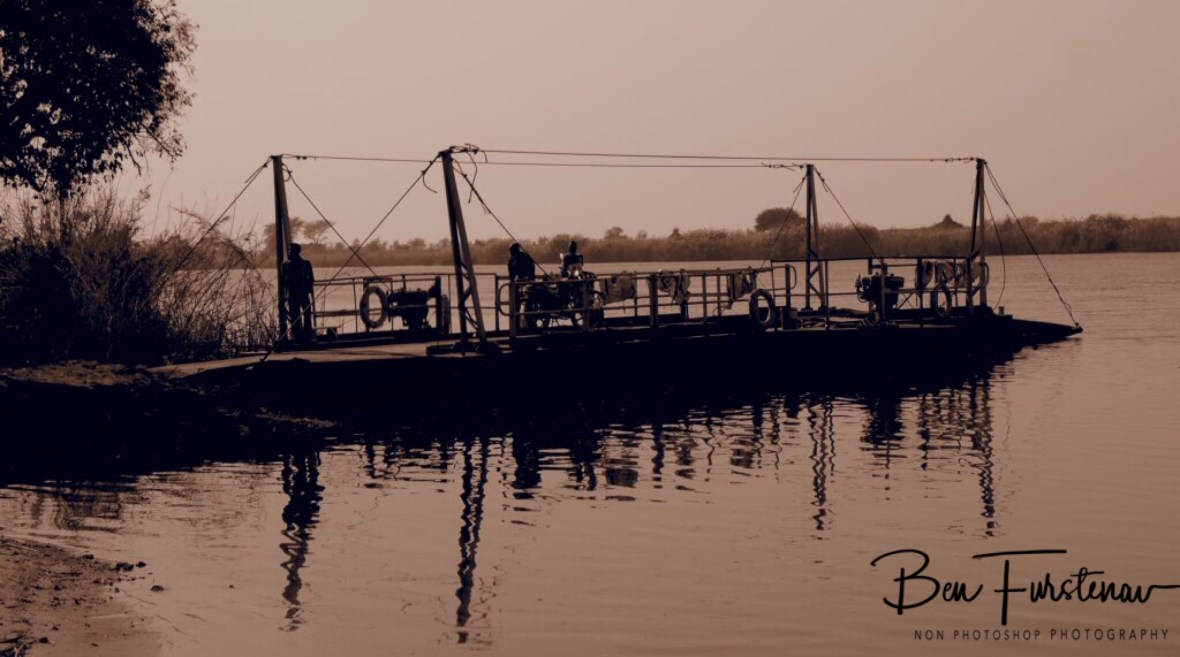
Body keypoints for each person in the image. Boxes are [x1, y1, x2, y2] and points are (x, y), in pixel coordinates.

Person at [282, 243, 315, 341]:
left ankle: (308, 332)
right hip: (292, 294)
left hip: (303, 292)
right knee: (294, 314)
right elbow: (283, 280)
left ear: (297, 251)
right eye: (289, 250)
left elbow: (311, 278)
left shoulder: (305, 263)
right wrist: (284, 294)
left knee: (307, 313)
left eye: (291, 250)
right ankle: (296, 334)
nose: (289, 252)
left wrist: (308, 289)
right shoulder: (285, 264)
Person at [507, 243, 537, 330]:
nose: (511, 253)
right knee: (516, 305)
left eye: (513, 251)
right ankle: (516, 326)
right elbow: (511, 276)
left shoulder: (525, 256)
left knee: (529, 304)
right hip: (518, 284)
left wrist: (531, 278)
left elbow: (532, 267)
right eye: (511, 251)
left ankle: (529, 324)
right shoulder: (511, 261)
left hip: (527, 283)